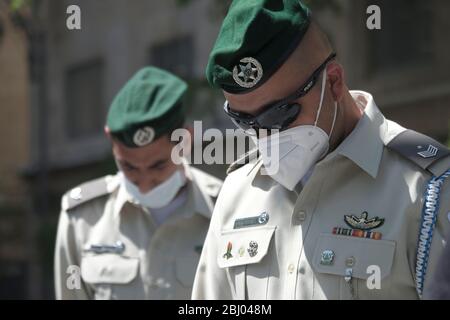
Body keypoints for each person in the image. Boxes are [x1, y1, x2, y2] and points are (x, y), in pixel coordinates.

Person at [192, 0, 450, 300]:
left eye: (280, 114)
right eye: (244, 120)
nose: (264, 135)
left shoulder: (429, 189)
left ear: (334, 82)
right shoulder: (239, 191)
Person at [54, 66, 223, 300]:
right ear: (110, 140)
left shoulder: (223, 207)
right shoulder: (82, 216)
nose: (144, 184)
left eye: (158, 166)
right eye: (129, 167)